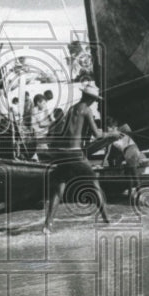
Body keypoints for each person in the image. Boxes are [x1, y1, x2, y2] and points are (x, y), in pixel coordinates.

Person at [43, 83, 110, 232]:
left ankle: (48, 225)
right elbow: (97, 135)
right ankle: (107, 220)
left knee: (60, 186)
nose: (94, 103)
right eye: (94, 100)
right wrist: (112, 134)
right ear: (91, 99)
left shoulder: (72, 108)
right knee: (94, 182)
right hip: (75, 153)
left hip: (63, 153)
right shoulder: (86, 110)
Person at [104, 119, 142, 203]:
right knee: (129, 174)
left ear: (113, 127)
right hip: (129, 151)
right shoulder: (117, 133)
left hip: (131, 151)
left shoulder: (116, 134)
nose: (107, 130)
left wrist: (105, 162)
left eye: (108, 128)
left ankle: (139, 195)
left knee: (134, 174)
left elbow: (109, 150)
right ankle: (130, 195)